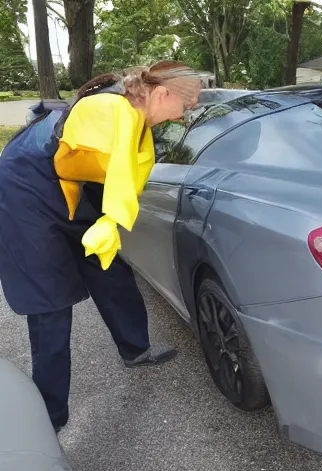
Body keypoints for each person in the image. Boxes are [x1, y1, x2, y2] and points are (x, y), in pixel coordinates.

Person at [0, 61, 203, 432]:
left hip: (68, 181)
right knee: (51, 302)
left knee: (108, 264)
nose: (185, 113)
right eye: (187, 104)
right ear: (162, 94)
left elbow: (119, 177)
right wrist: (110, 219)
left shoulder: (136, 115)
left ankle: (135, 349)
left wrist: (109, 222)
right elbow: (120, 178)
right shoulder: (111, 111)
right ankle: (49, 421)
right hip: (26, 186)